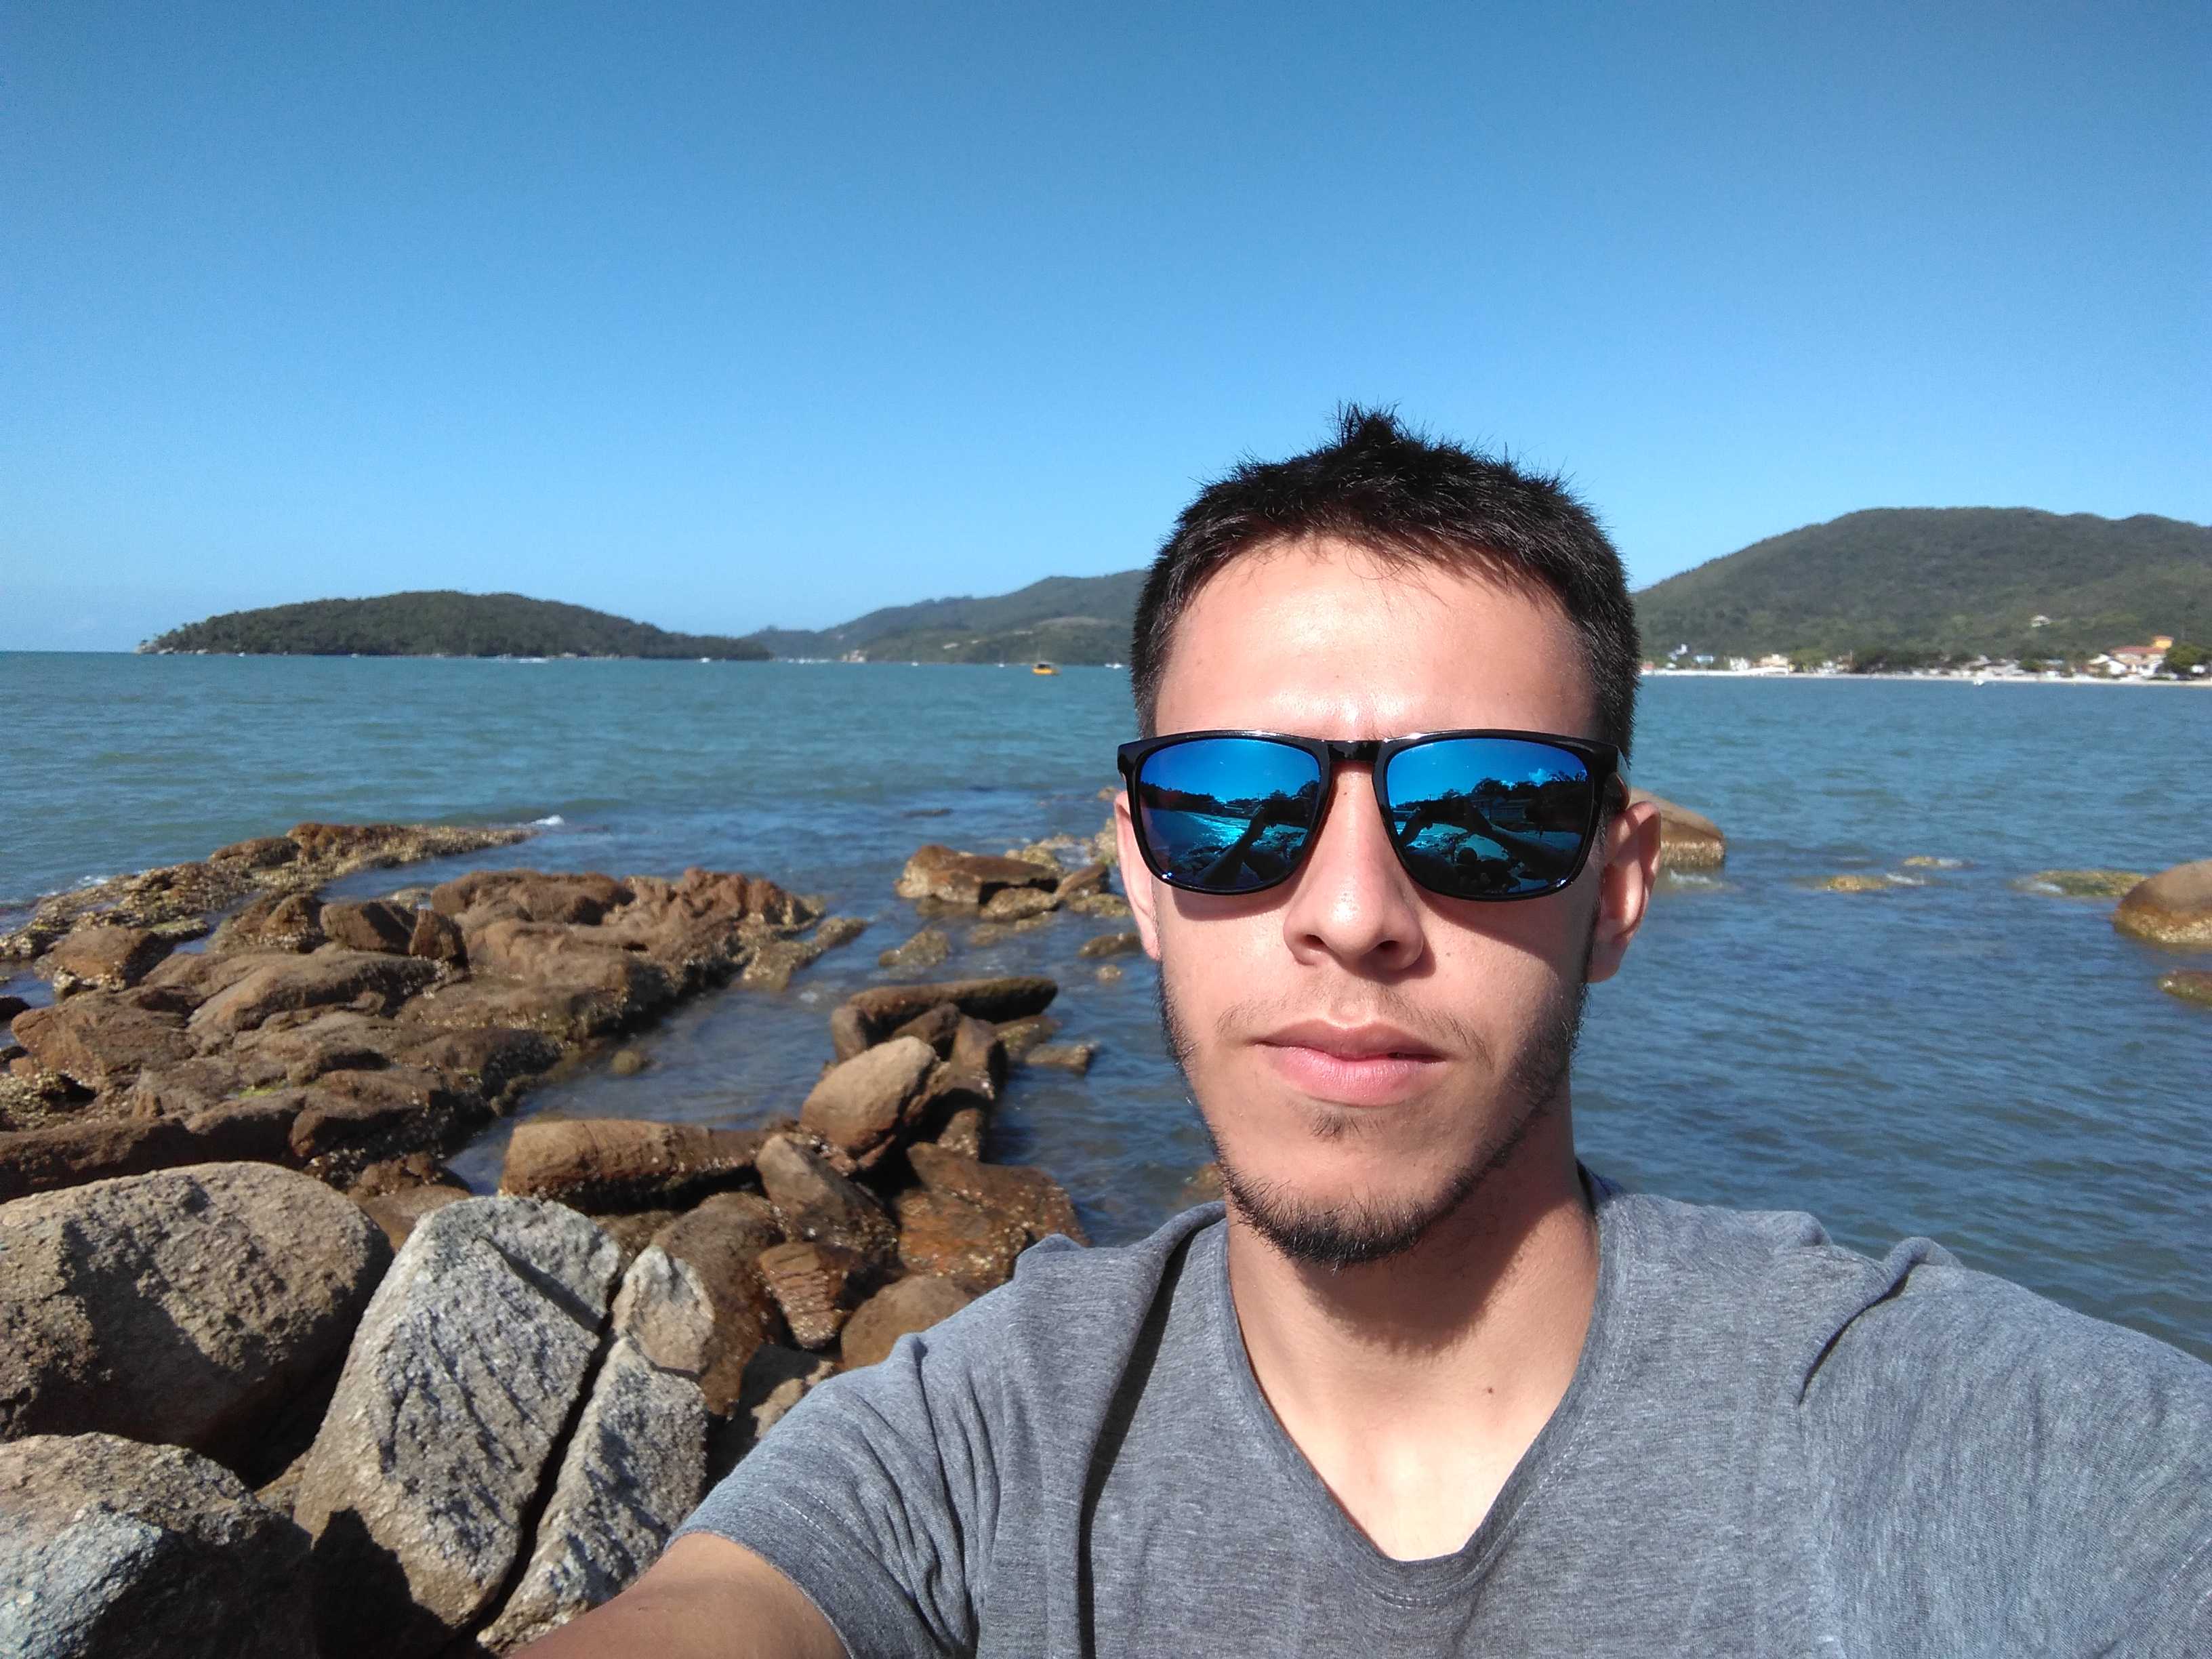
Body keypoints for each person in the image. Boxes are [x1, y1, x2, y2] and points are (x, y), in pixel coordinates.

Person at [524, 410, 2212, 1657]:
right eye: (1233, 806)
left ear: (1620, 889)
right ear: (1140, 877)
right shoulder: (977, 1445)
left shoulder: (1953, 1437)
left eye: (1493, 810)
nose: (1350, 910)